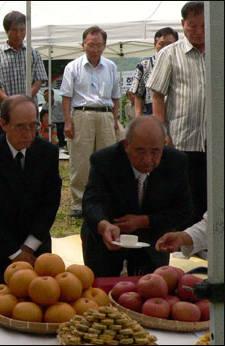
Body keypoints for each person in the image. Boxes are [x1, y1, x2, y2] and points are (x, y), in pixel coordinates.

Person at [0, 95, 62, 301]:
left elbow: (50, 203)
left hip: (35, 241)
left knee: (43, 301)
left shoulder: (48, 153)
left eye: (33, 126)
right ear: (3, 124)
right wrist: (14, 252)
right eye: (20, 127)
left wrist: (28, 247)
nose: (28, 134)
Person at [81, 116, 192, 277]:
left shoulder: (176, 162)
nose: (147, 160)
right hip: (108, 237)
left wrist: (143, 221)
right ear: (126, 145)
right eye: (140, 151)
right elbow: (91, 203)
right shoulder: (104, 160)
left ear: (164, 145)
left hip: (152, 238)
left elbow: (184, 211)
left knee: (153, 289)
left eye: (155, 152)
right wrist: (104, 226)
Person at [147, 1, 206, 228]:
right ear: (183, 24)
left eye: (203, 26)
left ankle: (209, 242)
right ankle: (182, 243)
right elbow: (158, 95)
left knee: (210, 193)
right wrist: (162, 131)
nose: (199, 32)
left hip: (213, 140)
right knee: (184, 195)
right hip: (182, 137)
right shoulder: (170, 54)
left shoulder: (217, 50)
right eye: (193, 26)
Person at [60, 26, 121, 218]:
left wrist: (115, 119)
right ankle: (79, 202)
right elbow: (66, 97)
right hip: (82, 115)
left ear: (104, 46)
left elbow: (116, 96)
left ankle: (107, 200)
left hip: (105, 115)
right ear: (83, 45)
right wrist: (68, 122)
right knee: (81, 160)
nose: (95, 49)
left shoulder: (111, 67)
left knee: (108, 160)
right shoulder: (73, 67)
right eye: (91, 45)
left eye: (99, 45)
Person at [0, 11, 48, 138]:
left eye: (22, 30)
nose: (19, 34)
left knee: (29, 154)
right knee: (4, 155)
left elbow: (39, 80)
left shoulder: (34, 53)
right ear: (7, 31)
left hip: (29, 116)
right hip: (4, 116)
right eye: (14, 30)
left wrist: (25, 100)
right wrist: (9, 101)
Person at [130, 27, 179, 116]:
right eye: (161, 44)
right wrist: (138, 118)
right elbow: (138, 95)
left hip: (176, 116)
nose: (165, 48)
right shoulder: (144, 66)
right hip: (151, 117)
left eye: (170, 44)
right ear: (155, 45)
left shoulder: (181, 64)